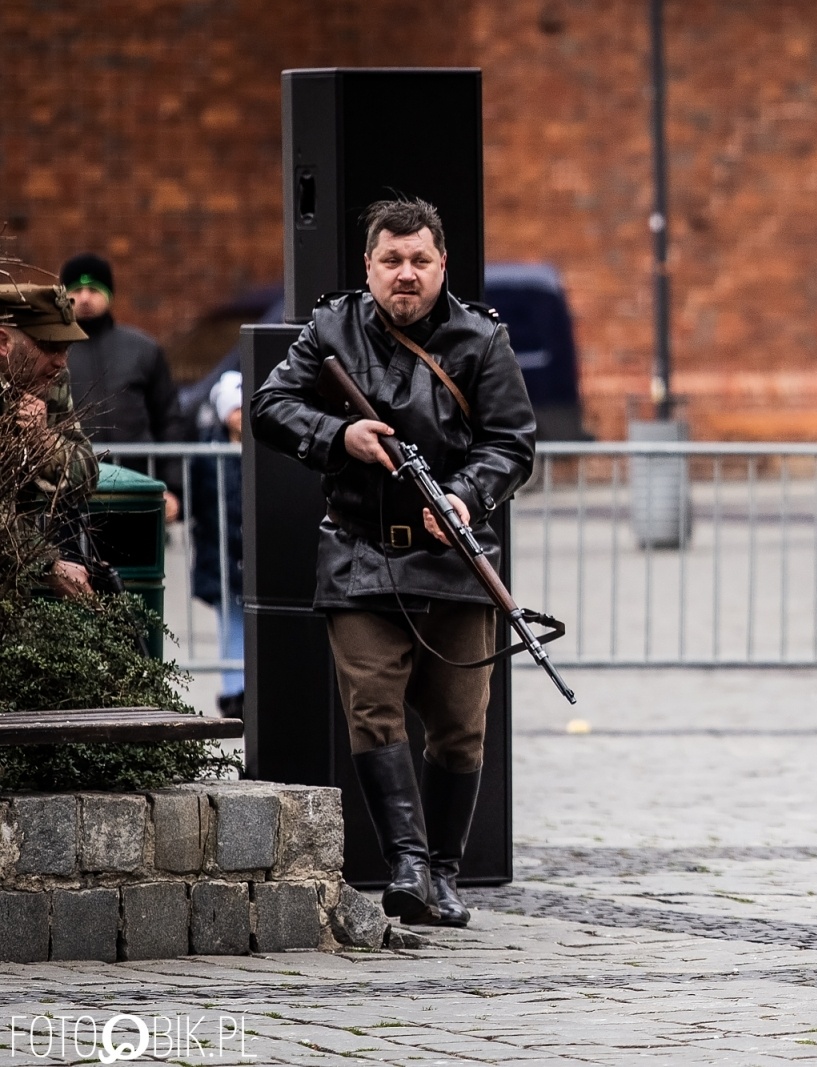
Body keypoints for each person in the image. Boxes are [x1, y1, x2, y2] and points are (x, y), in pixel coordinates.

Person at [252, 198, 536, 927]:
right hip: (359, 555)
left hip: (454, 560)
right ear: (369, 266)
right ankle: (407, 864)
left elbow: (513, 441)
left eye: (419, 261)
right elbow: (271, 404)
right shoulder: (331, 327)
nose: (405, 275)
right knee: (373, 709)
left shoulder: (480, 338)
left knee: (459, 725)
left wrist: (466, 497)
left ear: (443, 264)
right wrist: (339, 434)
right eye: (391, 261)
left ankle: (444, 869)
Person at [59, 253, 183, 523]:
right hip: (69, 492)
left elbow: (168, 419)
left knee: (137, 564)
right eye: (76, 290)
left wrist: (173, 487)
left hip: (137, 487)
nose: (84, 298)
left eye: (93, 289)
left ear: (109, 293)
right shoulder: (52, 353)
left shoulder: (143, 349)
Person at [0, 282, 97, 598]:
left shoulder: (50, 379)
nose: (61, 361)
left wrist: (43, 440)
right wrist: (48, 565)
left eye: (66, 348)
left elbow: (87, 473)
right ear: (4, 342)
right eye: (51, 347)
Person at [189, 371, 244, 718]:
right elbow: (198, 499)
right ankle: (233, 691)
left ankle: (252, 687)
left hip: (251, 553)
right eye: (233, 409)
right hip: (221, 552)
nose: (240, 415)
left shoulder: (265, 447)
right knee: (230, 626)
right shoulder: (206, 452)